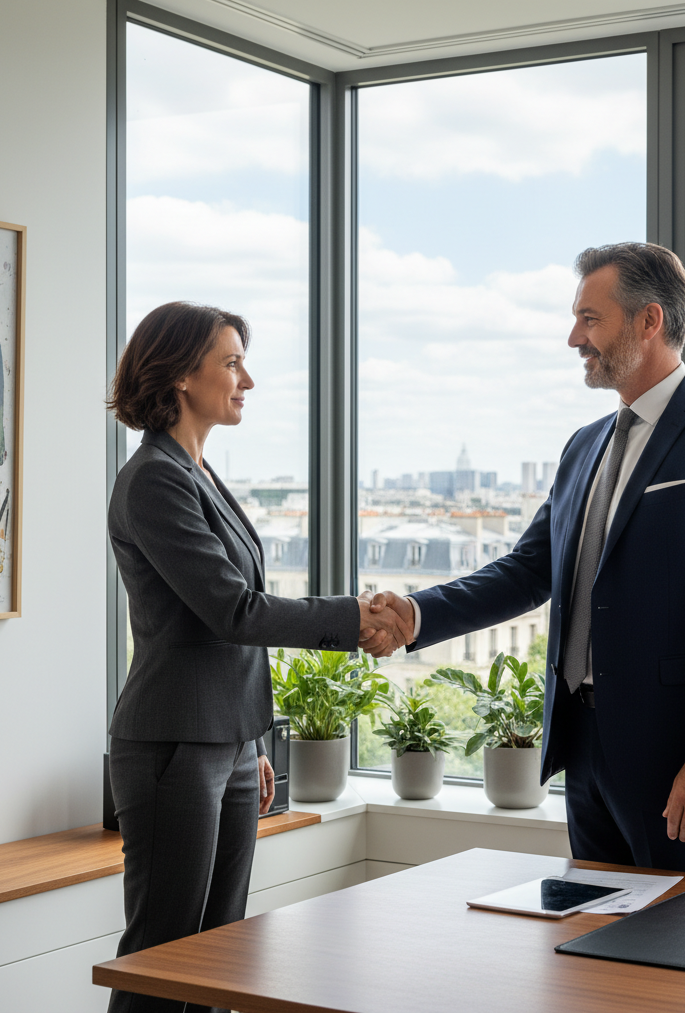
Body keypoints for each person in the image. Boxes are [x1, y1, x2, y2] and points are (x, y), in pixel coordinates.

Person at [364, 243, 685, 877]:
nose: (573, 338)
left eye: (590, 319)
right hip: (583, 750)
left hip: (680, 765)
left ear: (649, 321)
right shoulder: (584, 446)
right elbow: (529, 570)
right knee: (595, 953)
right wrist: (417, 614)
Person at [107, 301, 411, 1013]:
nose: (247, 379)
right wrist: (351, 617)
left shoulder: (198, 472)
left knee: (224, 951)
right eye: (232, 362)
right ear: (183, 375)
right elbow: (232, 611)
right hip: (175, 745)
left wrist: (252, 740)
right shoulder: (154, 478)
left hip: (228, 743)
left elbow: (223, 624)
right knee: (165, 954)